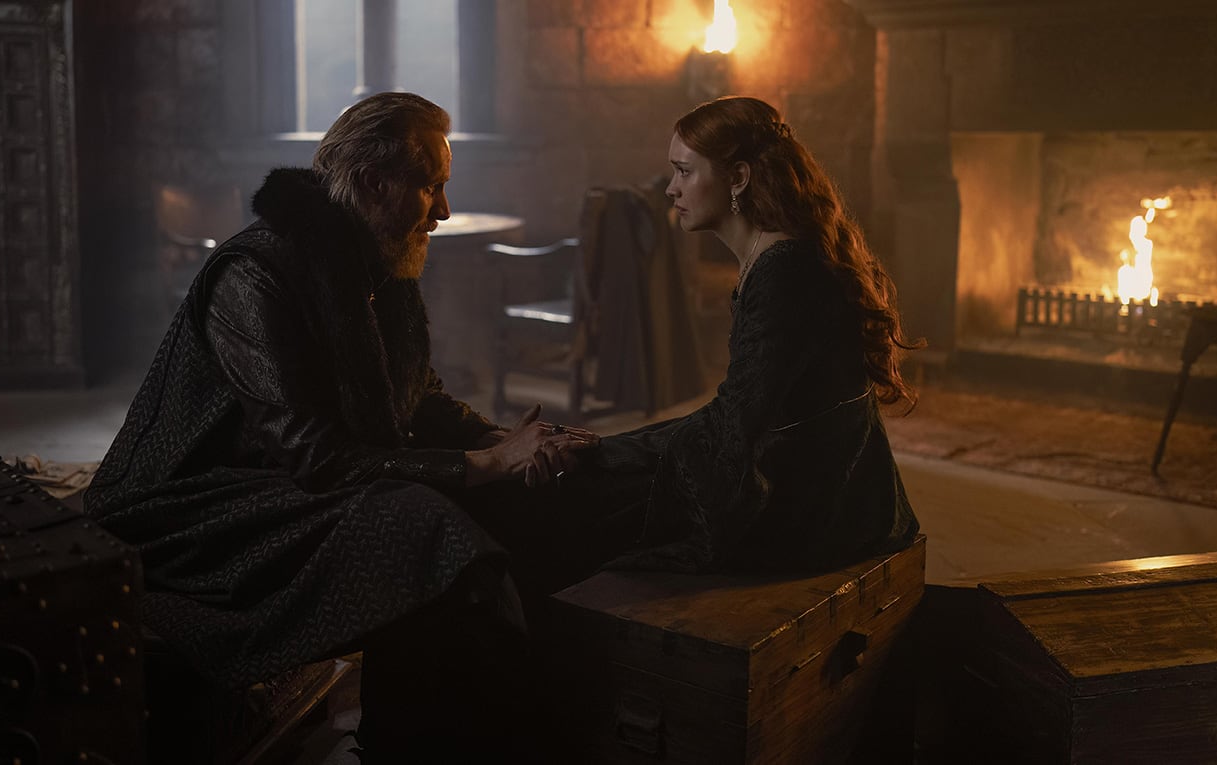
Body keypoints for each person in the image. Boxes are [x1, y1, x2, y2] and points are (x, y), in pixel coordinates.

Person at [83, 92, 594, 760]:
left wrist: (494, 441)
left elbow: (416, 393)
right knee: (422, 525)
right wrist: (483, 464)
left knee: (508, 509)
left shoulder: (377, 256)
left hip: (284, 479)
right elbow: (317, 458)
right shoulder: (252, 275)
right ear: (374, 183)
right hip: (192, 508)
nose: (442, 210)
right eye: (431, 187)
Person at [586, 96, 921, 574]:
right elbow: (734, 413)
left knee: (595, 518)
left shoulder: (785, 272)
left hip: (829, 511)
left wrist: (603, 452)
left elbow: (733, 422)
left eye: (684, 171)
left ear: (738, 177)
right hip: (827, 489)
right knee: (605, 494)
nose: (672, 189)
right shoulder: (774, 257)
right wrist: (603, 449)